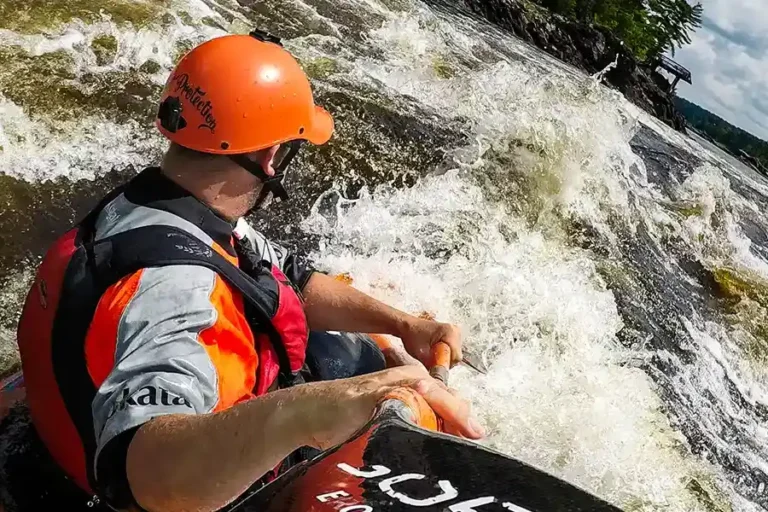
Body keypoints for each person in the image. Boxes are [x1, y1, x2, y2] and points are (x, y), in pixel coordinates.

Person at [13, 29, 484, 512]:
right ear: (270, 157)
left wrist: (403, 325)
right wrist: (304, 415)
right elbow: (146, 469)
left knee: (345, 348)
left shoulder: (161, 204)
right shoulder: (179, 289)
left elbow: (286, 279)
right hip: (167, 484)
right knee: (351, 374)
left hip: (63, 440)